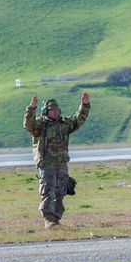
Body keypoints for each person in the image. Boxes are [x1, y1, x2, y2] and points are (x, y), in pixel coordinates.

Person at [24, 93, 90, 229]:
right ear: (45, 111)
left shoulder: (64, 123)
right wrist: (31, 109)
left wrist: (84, 105)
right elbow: (28, 125)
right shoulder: (40, 125)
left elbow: (79, 119)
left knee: (60, 193)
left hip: (61, 164)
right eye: (52, 110)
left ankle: (55, 219)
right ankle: (48, 220)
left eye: (56, 110)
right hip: (47, 165)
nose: (55, 112)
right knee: (48, 192)